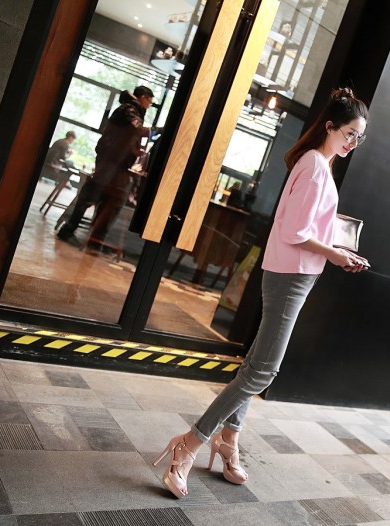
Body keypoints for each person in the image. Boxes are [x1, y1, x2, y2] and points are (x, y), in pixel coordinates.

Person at [152, 87, 370, 498]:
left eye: (359, 137)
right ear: (330, 127)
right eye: (350, 134)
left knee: (256, 365)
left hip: (295, 274)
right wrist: (336, 254)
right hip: (290, 275)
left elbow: (305, 226)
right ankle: (190, 443)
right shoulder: (315, 166)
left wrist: (337, 249)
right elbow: (295, 232)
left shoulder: (318, 164)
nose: (353, 143)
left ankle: (228, 437)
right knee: (264, 371)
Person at [57, 86, 154, 245]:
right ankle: (70, 231)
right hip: (111, 160)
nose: (149, 105)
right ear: (142, 97)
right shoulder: (129, 109)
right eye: (149, 101)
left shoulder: (130, 109)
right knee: (92, 195)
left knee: (100, 196)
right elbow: (135, 128)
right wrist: (152, 131)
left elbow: (127, 136)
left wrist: (134, 150)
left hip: (113, 160)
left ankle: (90, 237)